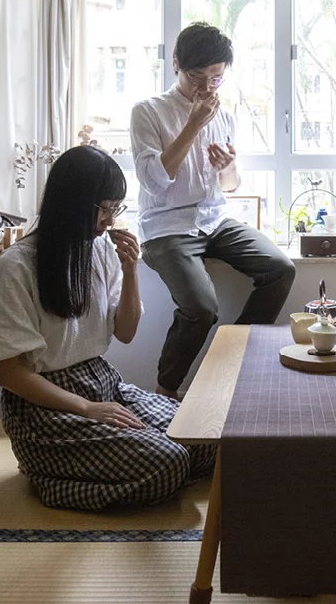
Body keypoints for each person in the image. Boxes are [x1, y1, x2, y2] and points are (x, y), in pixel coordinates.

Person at [0, 145, 215, 511]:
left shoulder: (100, 250)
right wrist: (86, 408)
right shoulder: (17, 266)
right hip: (45, 411)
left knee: (206, 437)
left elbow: (126, 332)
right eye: (104, 208)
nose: (109, 220)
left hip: (103, 384)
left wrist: (132, 271)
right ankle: (49, 479)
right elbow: (6, 371)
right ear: (71, 204)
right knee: (169, 463)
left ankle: (109, 467)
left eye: (114, 208)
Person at [131, 22, 295, 399]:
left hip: (214, 219)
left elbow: (230, 186)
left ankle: (232, 361)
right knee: (202, 308)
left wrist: (227, 167)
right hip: (166, 226)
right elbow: (155, 181)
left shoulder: (225, 115)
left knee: (281, 269)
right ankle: (165, 390)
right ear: (175, 63)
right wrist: (192, 125)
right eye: (196, 76)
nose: (206, 87)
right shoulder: (148, 112)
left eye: (216, 77)